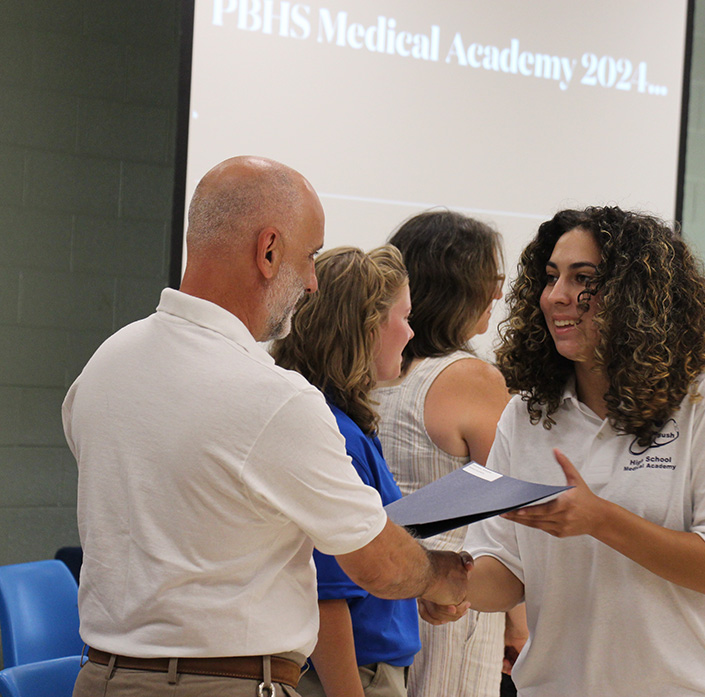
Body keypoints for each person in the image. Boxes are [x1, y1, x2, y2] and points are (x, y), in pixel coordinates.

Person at [62, 156, 471, 697]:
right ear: (269, 250)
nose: (311, 282)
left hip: (100, 678)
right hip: (221, 684)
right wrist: (444, 575)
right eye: (310, 258)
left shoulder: (104, 365)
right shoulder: (273, 398)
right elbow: (379, 566)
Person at [421, 206, 705, 696]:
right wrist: (447, 587)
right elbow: (508, 571)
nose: (557, 296)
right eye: (551, 277)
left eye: (583, 278)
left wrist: (600, 519)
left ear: (637, 297)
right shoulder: (527, 415)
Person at [372, 210, 518, 697]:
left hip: (375, 596)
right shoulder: (470, 378)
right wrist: (516, 618)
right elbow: (508, 508)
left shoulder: (365, 371)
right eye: (491, 279)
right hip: (450, 603)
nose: (499, 295)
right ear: (459, 287)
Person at [272, 245, 417, 697]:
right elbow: (327, 594)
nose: (411, 333)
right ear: (367, 328)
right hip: (353, 676)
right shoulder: (336, 434)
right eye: (404, 316)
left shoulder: (346, 424)